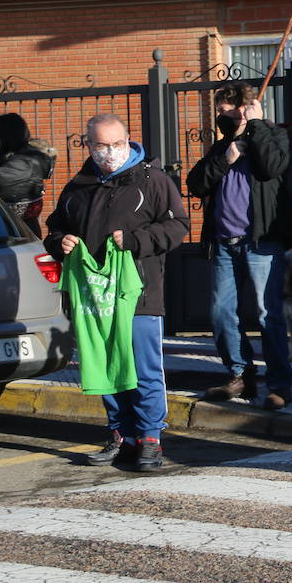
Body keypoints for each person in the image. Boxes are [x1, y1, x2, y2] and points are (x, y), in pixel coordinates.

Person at [43, 113, 190, 471]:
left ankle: (151, 438)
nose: (110, 152)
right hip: (94, 296)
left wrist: (138, 240)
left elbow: (178, 225)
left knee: (143, 367)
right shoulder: (79, 185)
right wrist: (58, 241)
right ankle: (121, 434)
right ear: (88, 146)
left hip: (137, 292)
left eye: (117, 144)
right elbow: (54, 227)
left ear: (128, 141)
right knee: (105, 365)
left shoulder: (152, 180)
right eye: (102, 146)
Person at [187, 82, 292, 411]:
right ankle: (239, 373)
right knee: (222, 313)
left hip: (261, 242)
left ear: (244, 110)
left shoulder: (272, 136)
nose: (221, 117)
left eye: (227, 111)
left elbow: (272, 167)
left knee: (269, 315)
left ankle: (280, 383)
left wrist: (256, 127)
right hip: (225, 243)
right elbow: (196, 184)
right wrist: (226, 157)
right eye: (219, 111)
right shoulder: (222, 147)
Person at [0, 112, 55, 236]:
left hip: (18, 231)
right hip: (7, 224)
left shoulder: (27, 161)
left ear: (5, 136)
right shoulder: (12, 156)